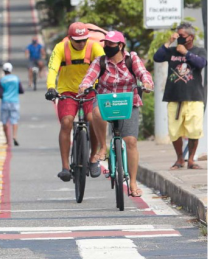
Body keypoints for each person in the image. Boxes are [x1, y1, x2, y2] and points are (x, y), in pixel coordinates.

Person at [79, 30, 153, 195]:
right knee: (95, 113)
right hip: (105, 99)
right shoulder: (100, 61)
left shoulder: (131, 58)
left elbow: (143, 73)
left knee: (131, 141)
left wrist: (147, 83)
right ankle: (103, 147)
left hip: (128, 101)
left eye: (111, 44)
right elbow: (89, 77)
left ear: (120, 45)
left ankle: (133, 183)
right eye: (105, 43)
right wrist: (84, 86)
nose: (107, 47)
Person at [45, 22, 105, 182]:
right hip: (67, 91)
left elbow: (105, 67)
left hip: (89, 90)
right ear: (70, 38)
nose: (81, 43)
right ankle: (65, 167)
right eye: (78, 40)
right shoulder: (60, 48)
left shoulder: (94, 47)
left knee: (93, 120)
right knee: (66, 122)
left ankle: (93, 157)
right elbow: (52, 69)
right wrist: (51, 87)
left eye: (84, 39)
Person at [153, 22, 207, 170]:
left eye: (181, 36)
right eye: (177, 35)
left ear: (191, 37)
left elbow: (201, 63)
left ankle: (191, 160)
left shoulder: (199, 50)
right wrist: (169, 41)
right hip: (174, 97)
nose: (179, 38)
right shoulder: (172, 51)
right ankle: (179, 159)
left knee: (194, 130)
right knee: (174, 131)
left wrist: (186, 53)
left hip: (194, 97)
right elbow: (157, 57)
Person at [0, 62, 24, 146]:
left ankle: (7, 140)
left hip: (5, 102)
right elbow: (21, 90)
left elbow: (0, 94)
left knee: (4, 122)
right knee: (14, 120)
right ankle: (14, 136)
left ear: (3, 71)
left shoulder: (2, 80)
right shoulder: (16, 79)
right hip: (15, 102)